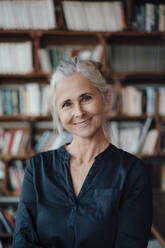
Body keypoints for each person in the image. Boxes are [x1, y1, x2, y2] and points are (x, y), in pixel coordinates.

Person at [13, 58, 152, 248]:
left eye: (86, 98)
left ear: (104, 99)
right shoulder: (37, 169)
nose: (78, 112)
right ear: (59, 114)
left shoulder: (133, 172)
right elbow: (23, 241)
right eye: (67, 104)